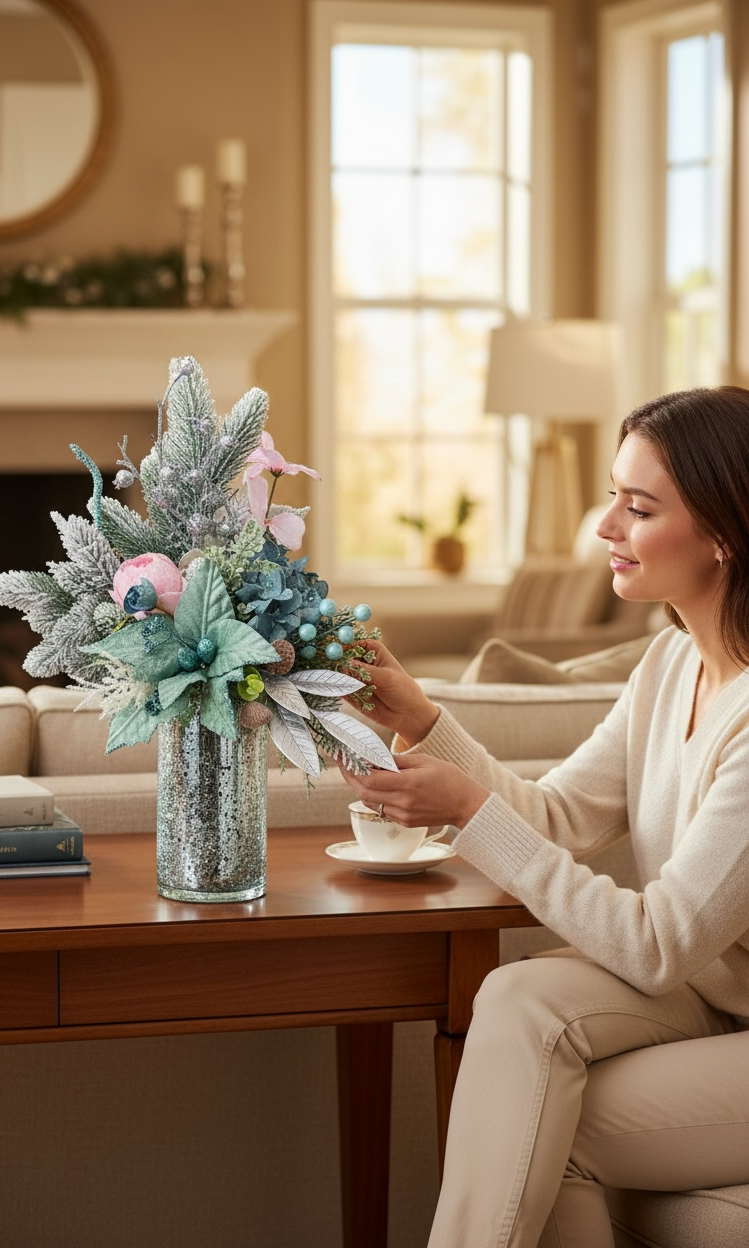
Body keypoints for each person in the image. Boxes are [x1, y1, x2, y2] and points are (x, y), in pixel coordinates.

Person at [339, 386, 749, 1247]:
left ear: (724, 534)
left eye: (639, 508)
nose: (605, 527)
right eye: (613, 497)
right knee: (519, 996)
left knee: (534, 1122)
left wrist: (470, 812)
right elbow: (558, 816)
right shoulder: (668, 663)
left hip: (709, 992)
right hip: (716, 996)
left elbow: (658, 943)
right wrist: (421, 717)